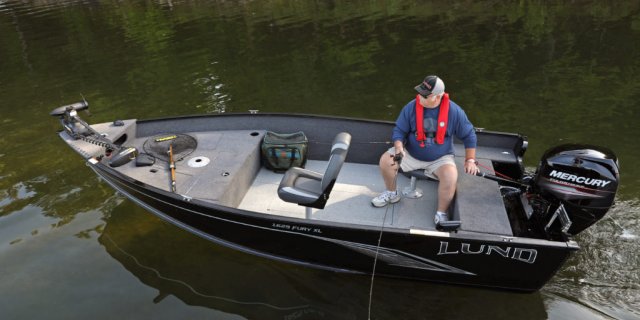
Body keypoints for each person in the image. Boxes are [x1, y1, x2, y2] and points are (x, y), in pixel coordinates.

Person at [371, 75, 479, 226]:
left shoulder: (454, 111)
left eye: (425, 95)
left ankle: (441, 213)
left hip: (440, 158)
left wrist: (470, 160)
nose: (420, 97)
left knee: (450, 176)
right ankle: (391, 193)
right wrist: (398, 147)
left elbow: (469, 135)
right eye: (420, 92)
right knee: (386, 160)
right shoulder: (411, 107)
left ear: (438, 97)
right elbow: (399, 130)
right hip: (410, 153)